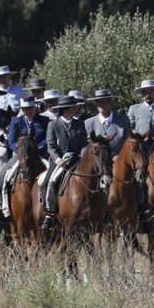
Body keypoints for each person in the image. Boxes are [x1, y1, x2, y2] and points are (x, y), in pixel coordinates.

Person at [42, 95, 87, 228]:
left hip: (77, 159)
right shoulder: (53, 124)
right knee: (49, 181)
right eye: (74, 107)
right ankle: (49, 212)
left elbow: (84, 144)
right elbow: (51, 146)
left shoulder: (80, 124)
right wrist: (58, 159)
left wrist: (82, 156)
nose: (76, 109)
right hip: (60, 160)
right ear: (67, 109)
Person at [85, 88, 128, 156]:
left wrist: (119, 156)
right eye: (98, 102)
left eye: (103, 102)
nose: (100, 105)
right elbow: (87, 147)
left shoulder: (123, 120)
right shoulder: (89, 123)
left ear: (110, 102)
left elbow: (128, 144)